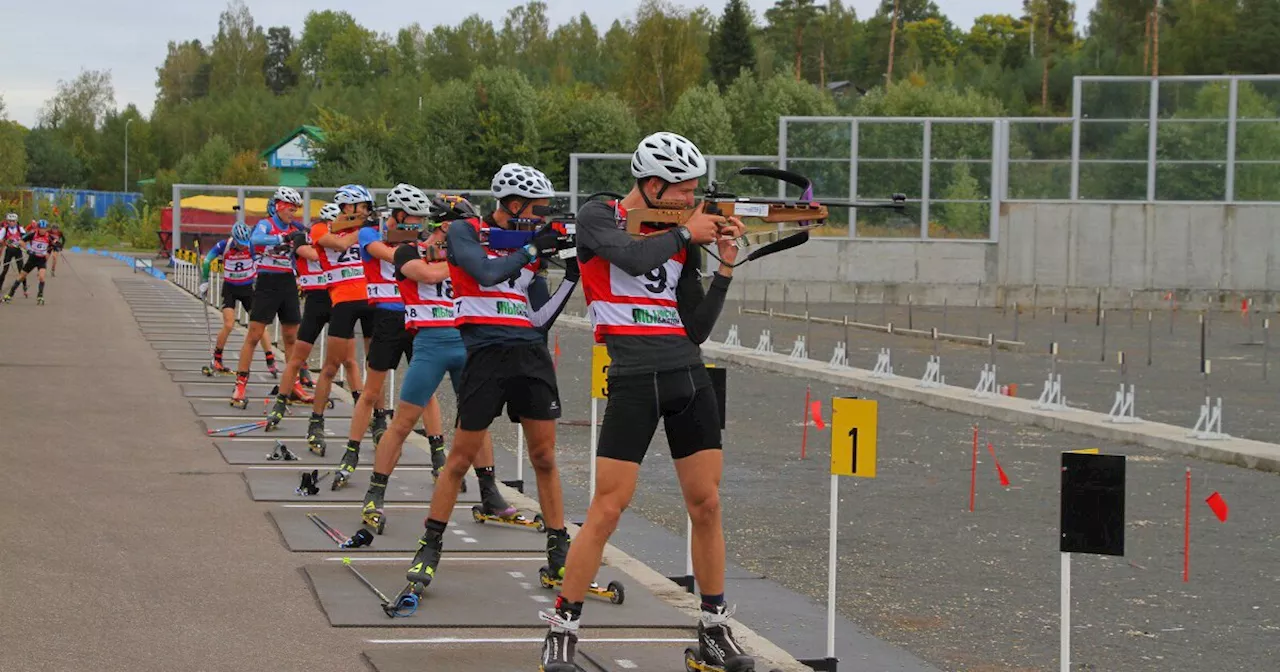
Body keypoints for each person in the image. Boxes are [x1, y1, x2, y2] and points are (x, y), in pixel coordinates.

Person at [537, 132, 753, 672]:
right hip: (633, 376)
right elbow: (629, 258)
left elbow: (697, 328)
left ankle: (713, 628)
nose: (692, 200)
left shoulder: (679, 237)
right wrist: (685, 231)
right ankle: (562, 627)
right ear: (653, 185)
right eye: (684, 191)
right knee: (607, 509)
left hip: (687, 375)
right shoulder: (599, 215)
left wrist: (723, 266)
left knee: (707, 505)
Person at [403, 163, 579, 595]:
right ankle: (430, 544)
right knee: (460, 458)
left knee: (544, 457)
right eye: (535, 210)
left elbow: (539, 320)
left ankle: (559, 551)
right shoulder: (467, 230)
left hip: (529, 354)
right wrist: (532, 251)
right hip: (484, 353)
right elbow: (483, 273)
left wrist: (571, 276)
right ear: (514, 205)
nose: (540, 219)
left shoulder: (531, 249)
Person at [360, 193, 517, 535]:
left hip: (466, 340)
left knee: (477, 420)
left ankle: (489, 493)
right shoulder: (407, 250)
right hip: (430, 343)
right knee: (402, 422)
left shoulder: (467, 251)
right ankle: (375, 494)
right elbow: (426, 276)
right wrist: (465, 259)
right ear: (446, 225)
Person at [306, 185, 379, 456]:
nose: (367, 212)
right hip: (343, 302)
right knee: (330, 367)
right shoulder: (320, 228)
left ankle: (380, 418)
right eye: (363, 207)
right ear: (347, 207)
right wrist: (365, 229)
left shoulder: (370, 230)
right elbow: (340, 244)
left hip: (372, 300)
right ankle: (316, 422)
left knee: (376, 366)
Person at [229, 187, 307, 408]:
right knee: (255, 335)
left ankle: (294, 385)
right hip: (267, 281)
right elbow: (256, 239)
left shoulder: (295, 226)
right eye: (290, 209)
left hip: (288, 282)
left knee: (292, 337)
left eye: (296, 210)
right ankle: (241, 384)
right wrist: (283, 237)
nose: (293, 213)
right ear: (280, 206)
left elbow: (307, 236)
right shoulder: (267, 223)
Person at [199, 222, 273, 374]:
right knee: (229, 324)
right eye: (240, 244)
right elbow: (207, 261)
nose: (243, 247)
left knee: (260, 325)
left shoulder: (252, 244)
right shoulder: (224, 245)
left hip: (248, 289)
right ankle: (217, 357)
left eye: (245, 244)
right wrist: (204, 282)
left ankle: (270, 358)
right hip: (230, 288)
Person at [3, 219, 57, 305]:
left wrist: (56, 246)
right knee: (21, 276)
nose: (43, 230)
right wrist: (28, 249)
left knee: (42, 277)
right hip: (32, 259)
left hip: (41, 260)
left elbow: (55, 243)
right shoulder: (33, 234)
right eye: (41, 228)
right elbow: (21, 241)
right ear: (38, 228)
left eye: (44, 228)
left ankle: (40, 296)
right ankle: (10, 294)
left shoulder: (49, 237)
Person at [0, 213, 24, 290]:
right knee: (5, 270)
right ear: (7, 221)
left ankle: (25, 287)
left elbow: (26, 238)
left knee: (21, 270)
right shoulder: (5, 229)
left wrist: (21, 242)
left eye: (13, 221)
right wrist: (6, 242)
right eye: (10, 221)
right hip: (9, 251)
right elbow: (0, 239)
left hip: (18, 251)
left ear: (16, 221)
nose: (11, 222)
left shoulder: (20, 229)